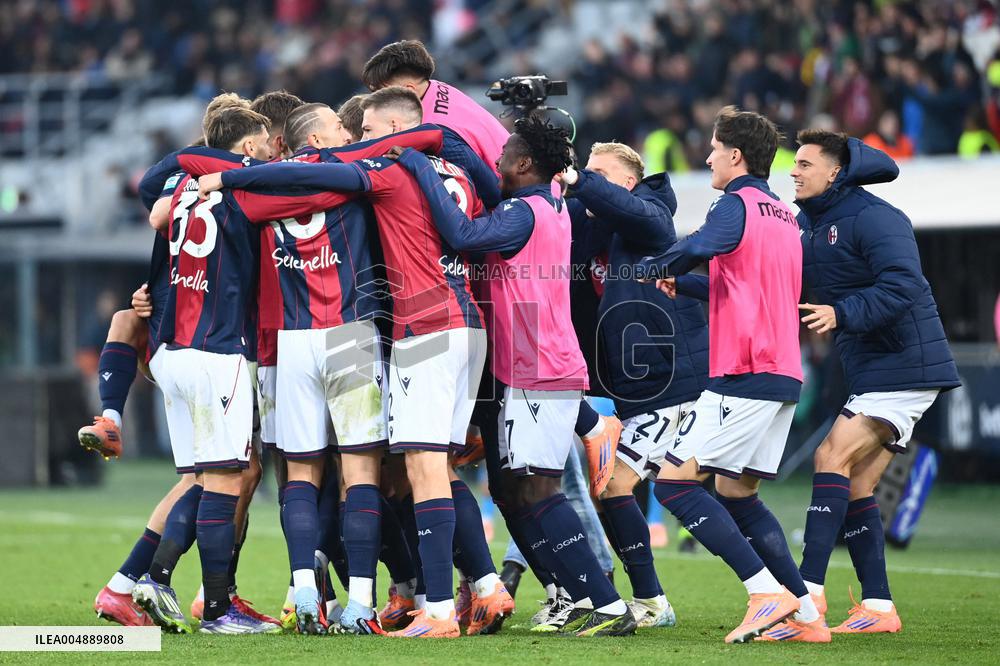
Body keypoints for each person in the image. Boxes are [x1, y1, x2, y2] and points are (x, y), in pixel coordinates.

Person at [200, 87, 505, 640]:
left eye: (360, 132)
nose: (353, 139)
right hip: (357, 336)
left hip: (290, 341)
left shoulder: (265, 190)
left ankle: (303, 594)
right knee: (367, 470)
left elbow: (239, 212)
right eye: (345, 134)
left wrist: (233, 178)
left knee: (301, 472)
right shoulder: (365, 181)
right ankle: (363, 602)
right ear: (318, 139)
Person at [391, 115, 636, 637]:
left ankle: (608, 604)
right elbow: (479, 166)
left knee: (540, 493)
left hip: (537, 367)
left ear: (524, 164)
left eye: (504, 155)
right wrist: (430, 134)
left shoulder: (523, 214)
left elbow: (461, 233)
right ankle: (582, 597)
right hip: (547, 362)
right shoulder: (550, 205)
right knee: (525, 493)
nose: (495, 163)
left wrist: (418, 167)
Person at [640, 107, 827, 644]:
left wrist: (658, 267)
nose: (708, 157)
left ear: (736, 156)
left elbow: (695, 248)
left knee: (674, 485)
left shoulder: (735, 204)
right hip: (782, 372)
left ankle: (763, 591)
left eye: (715, 149)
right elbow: (751, 286)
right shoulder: (782, 214)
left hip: (743, 371)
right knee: (737, 493)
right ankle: (807, 619)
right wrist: (691, 285)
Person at [783, 129, 960, 635]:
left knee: (828, 456)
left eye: (804, 163)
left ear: (835, 171)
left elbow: (903, 285)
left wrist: (841, 312)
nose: (793, 171)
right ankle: (878, 608)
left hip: (905, 361)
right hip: (876, 365)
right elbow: (778, 280)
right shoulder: (808, 224)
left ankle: (806, 599)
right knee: (857, 481)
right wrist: (687, 281)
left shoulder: (877, 217)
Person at [560, 140, 709, 628]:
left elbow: (630, 210)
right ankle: (651, 598)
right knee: (721, 496)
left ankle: (656, 599)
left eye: (600, 174)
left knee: (617, 486)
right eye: (587, 170)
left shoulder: (651, 214)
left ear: (626, 182)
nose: (588, 180)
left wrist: (581, 181)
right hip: (635, 392)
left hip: (671, 386)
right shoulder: (596, 231)